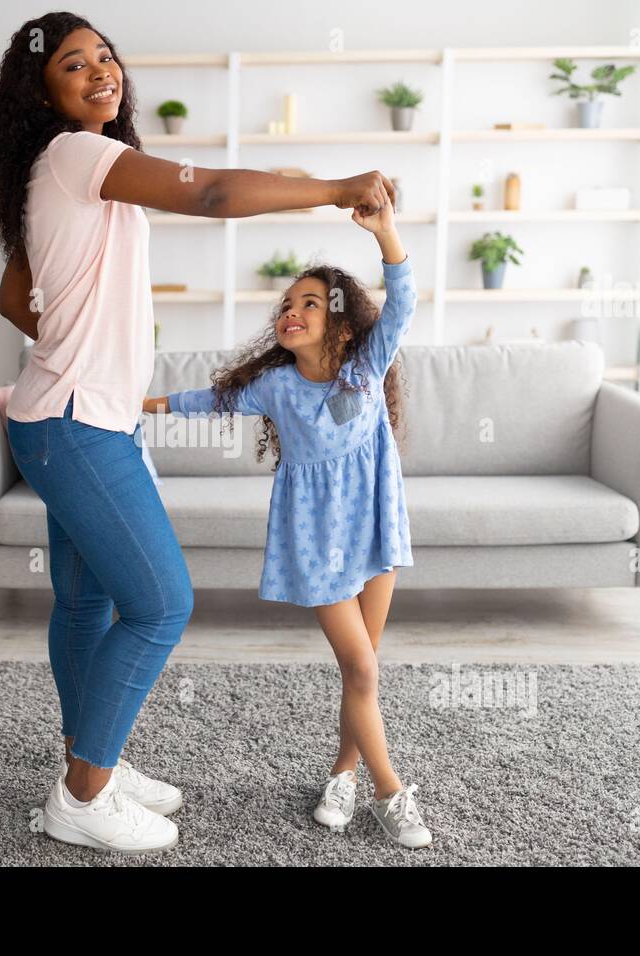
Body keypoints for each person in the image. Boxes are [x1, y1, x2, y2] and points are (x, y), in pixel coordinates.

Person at [0, 11, 397, 854]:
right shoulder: (78, 153)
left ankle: (86, 759)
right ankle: (82, 797)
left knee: (88, 601)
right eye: (73, 64)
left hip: (69, 416)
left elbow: (11, 296)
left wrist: (79, 329)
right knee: (162, 604)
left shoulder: (55, 169)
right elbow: (209, 193)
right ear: (42, 90)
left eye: (104, 54)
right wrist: (331, 187)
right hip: (77, 424)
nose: (100, 70)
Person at [143, 199, 431, 848]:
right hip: (318, 547)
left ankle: (342, 773)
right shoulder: (274, 388)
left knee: (363, 670)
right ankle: (390, 793)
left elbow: (404, 301)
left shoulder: (364, 369)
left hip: (376, 533)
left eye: (308, 303)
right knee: (361, 668)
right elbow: (204, 401)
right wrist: (143, 402)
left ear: (341, 325)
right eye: (285, 305)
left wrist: (385, 232)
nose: (290, 312)